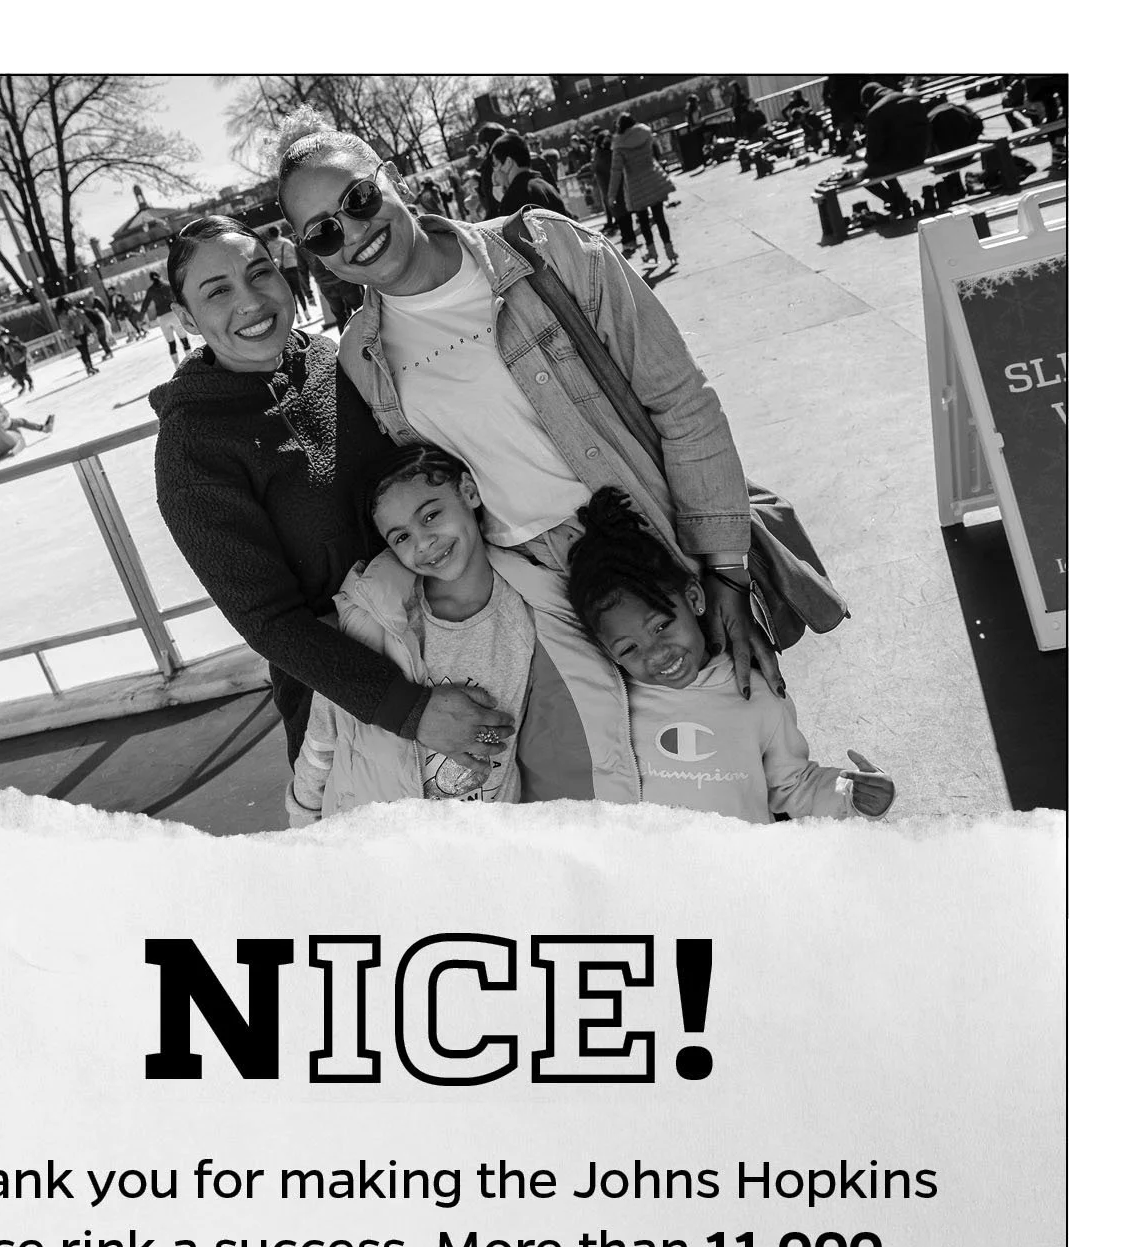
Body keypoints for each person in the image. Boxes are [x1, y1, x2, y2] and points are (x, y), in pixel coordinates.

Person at [278, 115, 837, 801]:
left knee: (734, 756)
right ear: (315, 255)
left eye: (358, 199)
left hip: (647, 550)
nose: (353, 232)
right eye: (324, 232)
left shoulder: (546, 249)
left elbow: (681, 402)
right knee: (630, 792)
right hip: (531, 590)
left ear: (391, 179)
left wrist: (721, 569)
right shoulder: (363, 351)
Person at [150, 213, 515, 776]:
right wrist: (409, 710)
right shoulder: (193, 446)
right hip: (359, 707)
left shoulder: (331, 359)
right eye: (217, 291)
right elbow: (269, 621)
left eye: (259, 273)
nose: (251, 301)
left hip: (460, 637)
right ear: (185, 318)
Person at [566, 489, 894, 823]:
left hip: (745, 873)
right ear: (609, 653)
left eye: (662, 625)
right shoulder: (615, 708)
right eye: (628, 649)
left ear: (694, 597)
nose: (656, 655)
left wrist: (850, 796)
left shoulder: (760, 696)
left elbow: (795, 787)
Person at [288, 443, 536, 821]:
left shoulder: (531, 605)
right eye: (401, 537)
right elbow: (324, 732)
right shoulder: (372, 618)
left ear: (469, 492)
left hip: (491, 842)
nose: (423, 543)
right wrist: (303, 816)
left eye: (432, 515)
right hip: (375, 839)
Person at [607, 113, 678, 269]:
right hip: (653, 179)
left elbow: (616, 171)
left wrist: (611, 194)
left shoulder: (619, 144)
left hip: (636, 186)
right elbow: (656, 153)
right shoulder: (645, 134)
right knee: (660, 218)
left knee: (644, 222)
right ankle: (670, 251)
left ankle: (652, 252)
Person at [859, 80, 930, 214]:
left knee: (865, 173)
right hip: (921, 154)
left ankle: (897, 200)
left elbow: (873, 152)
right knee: (883, 165)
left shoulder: (875, 112)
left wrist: (867, 158)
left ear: (868, 101)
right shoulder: (910, 99)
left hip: (899, 161)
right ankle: (900, 200)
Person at [0, 376, 55, 461]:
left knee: (10, 428)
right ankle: (44, 428)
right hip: (4, 423)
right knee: (22, 421)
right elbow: (3, 411)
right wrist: (4, 417)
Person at [486, 130, 569, 216]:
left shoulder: (513, 199)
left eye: (495, 164)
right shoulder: (548, 188)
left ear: (508, 162)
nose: (495, 172)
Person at [139, 270, 193, 363]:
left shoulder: (151, 290)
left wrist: (140, 317)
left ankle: (176, 367)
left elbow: (145, 304)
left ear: (151, 279)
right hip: (174, 315)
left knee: (171, 344)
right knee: (184, 339)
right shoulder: (168, 285)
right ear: (159, 276)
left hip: (162, 318)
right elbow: (179, 295)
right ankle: (192, 362)